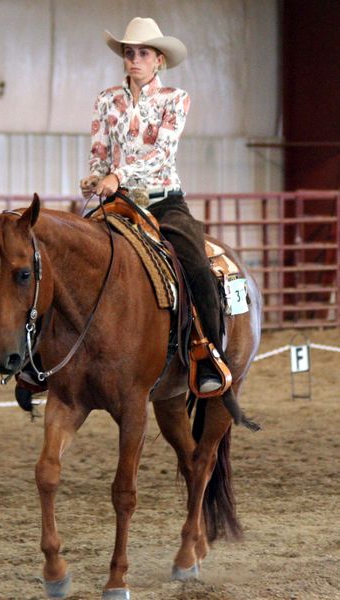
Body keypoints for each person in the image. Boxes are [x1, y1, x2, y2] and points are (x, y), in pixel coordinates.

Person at [80, 17, 228, 393]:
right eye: (130, 53)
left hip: (163, 202)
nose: (135, 59)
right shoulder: (105, 100)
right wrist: (96, 178)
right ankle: (52, 357)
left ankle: (208, 351)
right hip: (117, 202)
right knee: (70, 255)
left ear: (159, 60)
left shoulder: (175, 100)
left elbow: (162, 154)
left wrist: (118, 177)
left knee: (194, 262)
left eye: (143, 53)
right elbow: (99, 152)